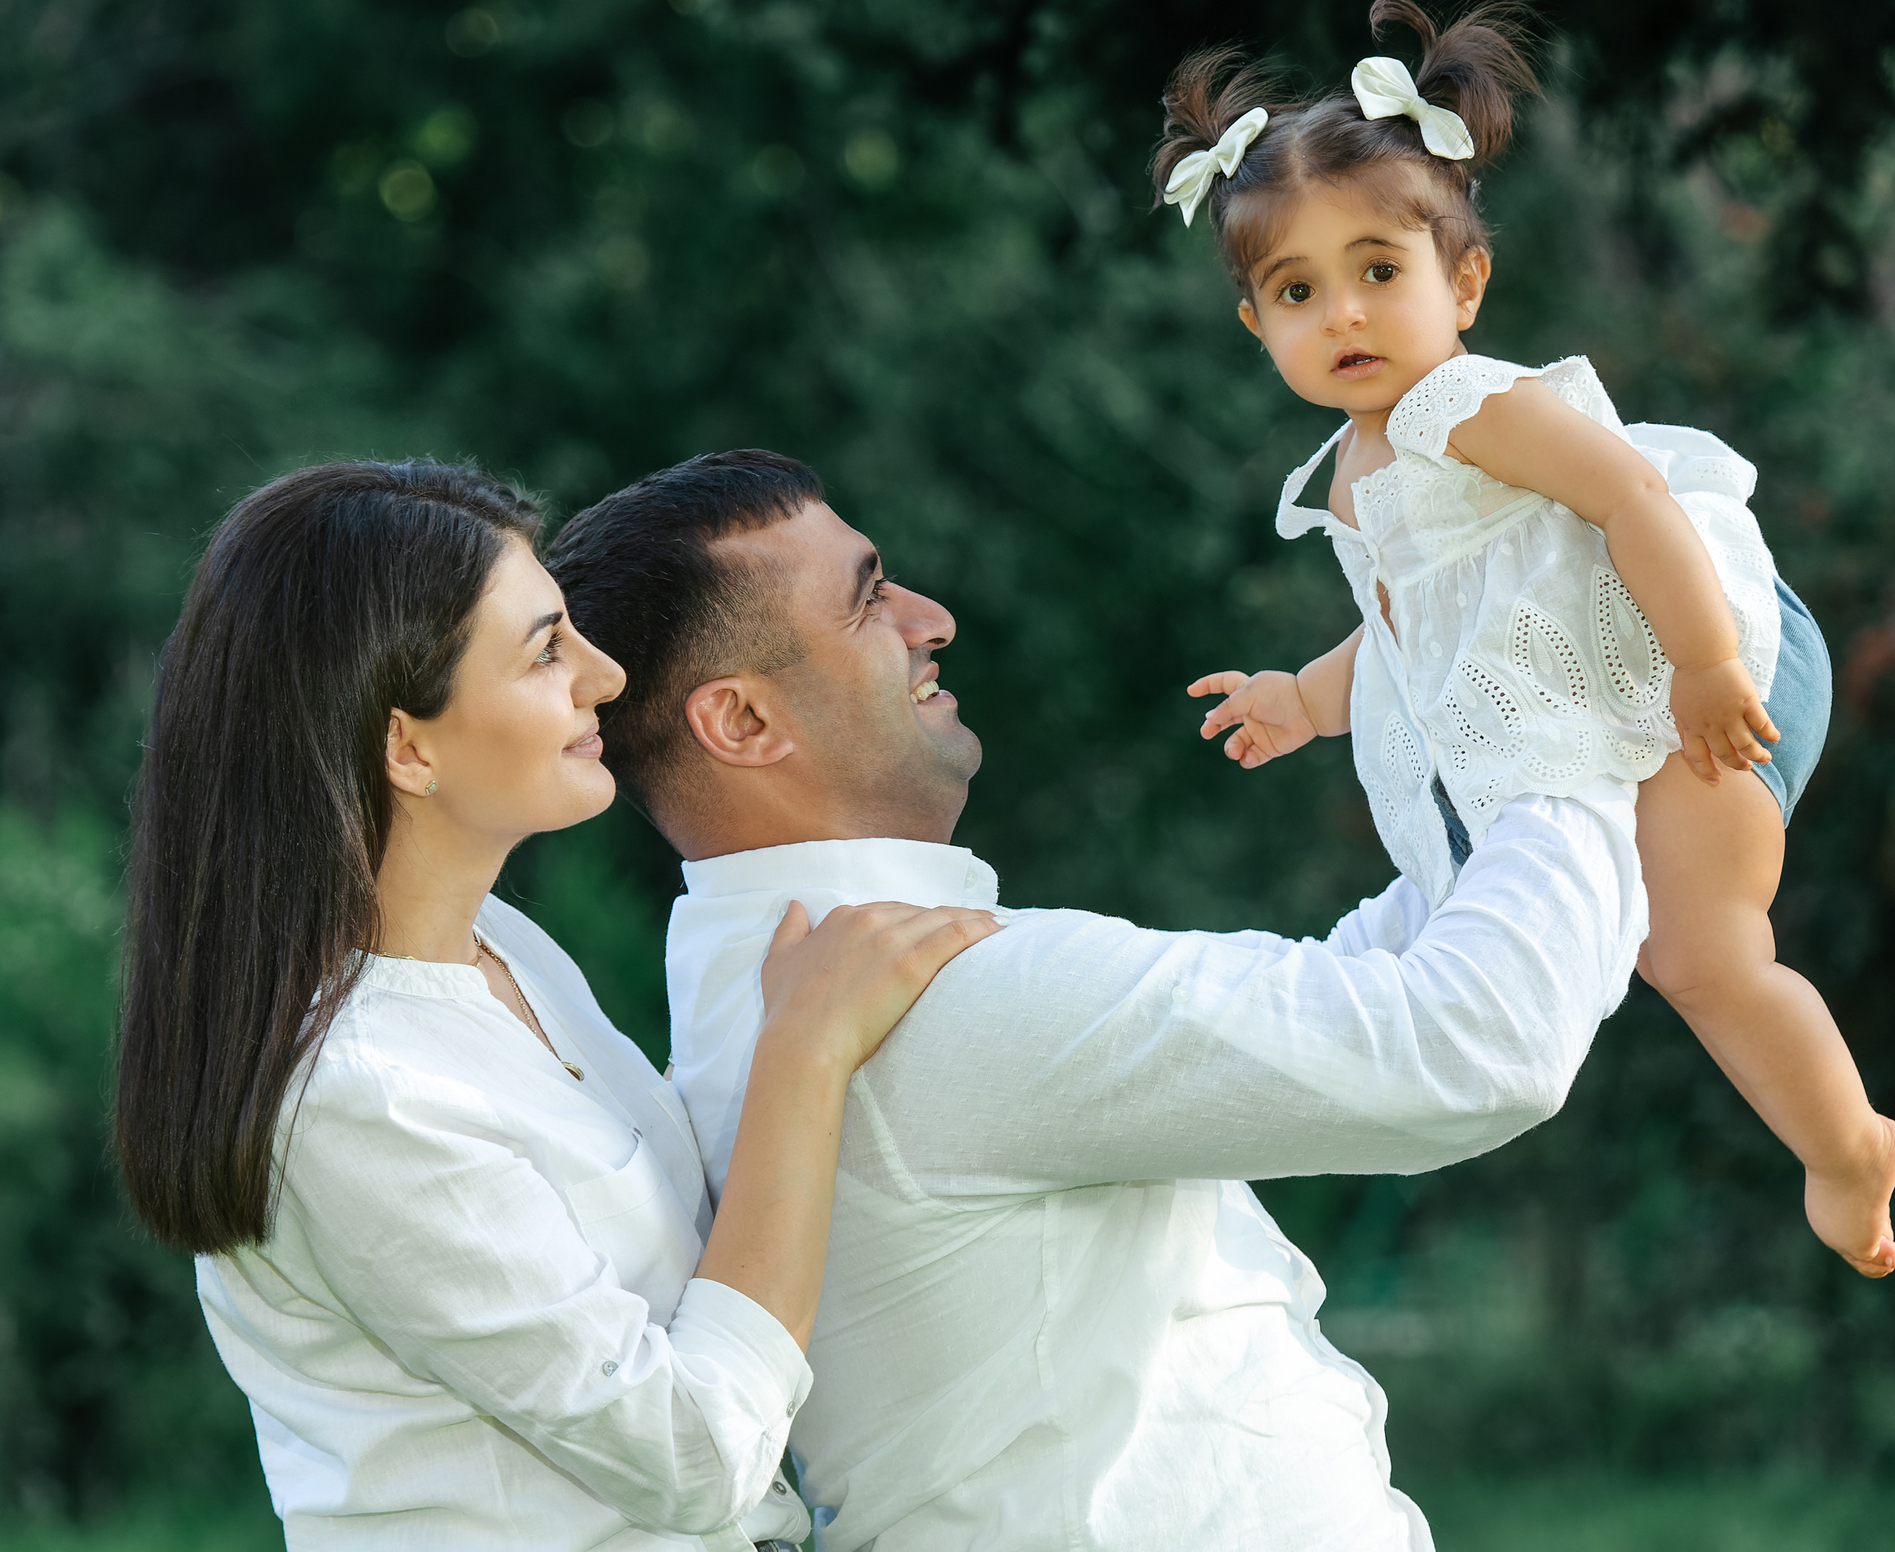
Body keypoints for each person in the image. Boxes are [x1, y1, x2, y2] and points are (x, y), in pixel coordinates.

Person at [546, 449, 1650, 1552]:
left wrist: (1539, 787)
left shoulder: (791, 982)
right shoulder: (936, 1002)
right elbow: (1472, 1043)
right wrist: (1577, 722)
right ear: (741, 724)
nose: (930, 619)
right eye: (868, 598)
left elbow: (1371, 984)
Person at [111, 459, 995, 1550]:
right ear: (407, 745)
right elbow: (693, 1458)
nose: (607, 675)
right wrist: (799, 1057)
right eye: (545, 651)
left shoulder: (501, 952)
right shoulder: (360, 1099)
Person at [1159, 0, 1895, 1277]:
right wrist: (1303, 694)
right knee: (1674, 954)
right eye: (1297, 290)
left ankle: (1848, 1154)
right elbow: (1421, 631)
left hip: (1705, 659)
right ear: (1255, 325)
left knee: (1705, 951)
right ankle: (1837, 1145)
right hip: (1631, 678)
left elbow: (1632, 495)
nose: (1342, 314)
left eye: (1378, 272)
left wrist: (1708, 668)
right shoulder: (1352, 466)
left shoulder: (1462, 402)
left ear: (1465, 282)